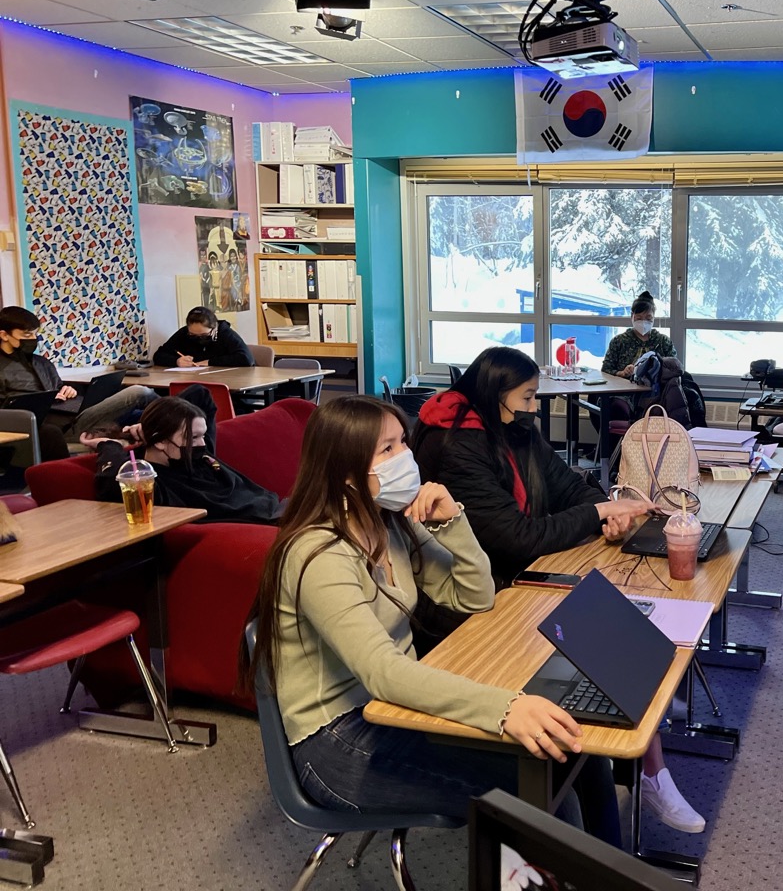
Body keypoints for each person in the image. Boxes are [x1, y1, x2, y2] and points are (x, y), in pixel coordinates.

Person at [242, 395, 620, 843]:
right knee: (540, 790)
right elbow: (383, 673)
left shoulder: (388, 523)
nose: (406, 456)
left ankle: (613, 875)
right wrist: (505, 708)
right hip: (337, 740)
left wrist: (454, 520)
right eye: (387, 449)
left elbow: (476, 597)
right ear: (345, 473)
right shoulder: (318, 553)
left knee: (580, 752)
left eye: (403, 442)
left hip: (394, 710)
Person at [413, 346, 707, 833]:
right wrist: (597, 514)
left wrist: (602, 510)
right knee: (596, 619)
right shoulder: (455, 447)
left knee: (611, 600)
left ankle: (642, 722)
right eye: (527, 397)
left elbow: (568, 484)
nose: (534, 408)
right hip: (474, 595)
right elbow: (517, 538)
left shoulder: (509, 427)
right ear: (495, 394)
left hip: (515, 574)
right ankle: (646, 759)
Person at [80, 384, 283, 524]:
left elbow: (200, 393)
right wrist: (108, 446)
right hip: (266, 525)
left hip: (284, 509)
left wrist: (156, 421)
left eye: (202, 436)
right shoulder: (156, 484)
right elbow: (111, 482)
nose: (202, 444)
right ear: (160, 441)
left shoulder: (194, 453)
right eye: (193, 437)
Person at [0, 305, 157, 461]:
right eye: (27, 335)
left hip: (72, 415)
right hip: (53, 427)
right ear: (4, 335)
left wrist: (67, 390)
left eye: (35, 334)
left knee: (137, 413)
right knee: (138, 392)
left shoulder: (42, 363)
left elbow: (58, 388)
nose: (33, 339)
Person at [597, 291, 677, 459]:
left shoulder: (663, 342)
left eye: (648, 318)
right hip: (623, 395)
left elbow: (674, 368)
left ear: (654, 318)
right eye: (639, 318)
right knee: (616, 410)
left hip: (655, 395)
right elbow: (605, 371)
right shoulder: (619, 341)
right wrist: (621, 373)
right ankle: (618, 459)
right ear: (632, 317)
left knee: (659, 412)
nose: (644, 322)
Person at [153, 306, 253, 369]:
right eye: (193, 335)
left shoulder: (225, 334)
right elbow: (159, 355)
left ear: (214, 328)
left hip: (227, 383)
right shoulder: (184, 333)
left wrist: (210, 362)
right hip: (194, 381)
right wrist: (176, 361)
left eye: (204, 335)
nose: (199, 339)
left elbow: (246, 358)